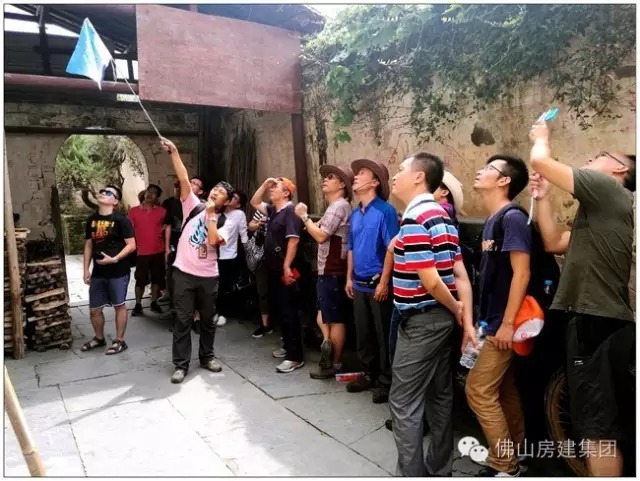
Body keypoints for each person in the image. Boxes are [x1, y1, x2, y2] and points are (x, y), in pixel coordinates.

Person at [529, 120, 635, 477]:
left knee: (597, 429)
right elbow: (553, 242)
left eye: (600, 155)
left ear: (618, 170)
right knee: (600, 420)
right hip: (598, 319)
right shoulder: (598, 212)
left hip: (596, 319)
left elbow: (540, 161)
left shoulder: (609, 189)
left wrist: (541, 138)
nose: (590, 158)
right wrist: (543, 196)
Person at [388, 153, 472, 477]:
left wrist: (456, 308)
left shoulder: (415, 217)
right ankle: (440, 468)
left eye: (401, 170)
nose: (395, 176)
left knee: (404, 401)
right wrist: (463, 319)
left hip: (422, 322)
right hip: (440, 322)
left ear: (419, 176)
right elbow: (460, 275)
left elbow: (431, 281)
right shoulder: (442, 216)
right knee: (440, 396)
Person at [464, 154, 531, 477]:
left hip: (504, 323)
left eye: (489, 169)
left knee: (478, 390)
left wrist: (507, 324)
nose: (480, 171)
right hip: (491, 320)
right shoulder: (494, 219)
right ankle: (517, 453)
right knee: (503, 389)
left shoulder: (512, 218)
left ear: (504, 181)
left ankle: (505, 463)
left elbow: (522, 273)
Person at [160, 137, 236, 384]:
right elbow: (183, 177)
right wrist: (174, 151)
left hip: (208, 276)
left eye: (221, 193)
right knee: (182, 320)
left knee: (207, 320)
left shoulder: (227, 222)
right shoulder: (192, 205)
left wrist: (211, 216)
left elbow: (213, 241)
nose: (215, 192)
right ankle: (180, 364)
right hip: (183, 273)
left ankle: (207, 356)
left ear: (227, 202)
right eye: (215, 189)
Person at [345, 158, 399, 403]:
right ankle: (368, 374)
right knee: (363, 333)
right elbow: (351, 247)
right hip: (358, 283)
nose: (356, 176)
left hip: (378, 283)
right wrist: (349, 278)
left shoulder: (385, 211)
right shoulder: (355, 212)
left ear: (375, 182)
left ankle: (386, 382)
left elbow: (392, 248)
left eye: (363, 173)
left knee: (383, 334)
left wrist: (385, 282)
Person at [295, 164, 353, 379]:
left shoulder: (339, 206)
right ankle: (327, 347)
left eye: (331, 177)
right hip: (327, 268)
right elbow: (317, 230)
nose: (325, 180)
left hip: (333, 268)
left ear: (342, 184)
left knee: (334, 318)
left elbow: (320, 236)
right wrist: (312, 223)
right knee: (324, 315)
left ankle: (333, 363)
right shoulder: (335, 207)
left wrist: (304, 216)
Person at [250, 177, 304, 373]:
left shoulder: (290, 212)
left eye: (275, 187)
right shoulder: (274, 210)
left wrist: (287, 266)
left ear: (287, 193)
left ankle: (295, 356)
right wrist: (264, 185)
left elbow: (293, 241)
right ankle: (287, 345)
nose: (271, 190)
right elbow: (255, 202)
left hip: (286, 269)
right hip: (274, 268)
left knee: (289, 311)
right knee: (281, 309)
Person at [80, 185, 136, 355]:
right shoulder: (91, 220)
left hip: (118, 270)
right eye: (102, 191)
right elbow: (88, 245)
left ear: (115, 201)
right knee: (94, 309)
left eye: (108, 193)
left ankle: (120, 340)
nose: (103, 193)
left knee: (119, 305)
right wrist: (86, 269)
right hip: (98, 271)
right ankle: (99, 338)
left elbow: (131, 245)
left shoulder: (121, 220)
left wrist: (115, 258)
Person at [163, 178, 205, 306]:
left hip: (193, 248)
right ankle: (174, 306)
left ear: (201, 191)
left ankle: (193, 309)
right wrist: (167, 249)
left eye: (196, 184)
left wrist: (202, 253)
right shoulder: (173, 203)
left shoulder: (203, 206)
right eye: (190, 182)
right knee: (173, 275)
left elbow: (205, 232)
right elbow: (168, 225)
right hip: (175, 245)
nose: (191, 184)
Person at [128, 184, 168, 316]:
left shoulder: (162, 212)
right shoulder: (133, 211)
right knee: (140, 280)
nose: (150, 194)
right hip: (141, 252)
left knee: (157, 278)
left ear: (157, 197)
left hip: (158, 250)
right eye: (148, 191)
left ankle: (154, 302)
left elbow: (166, 228)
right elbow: (128, 231)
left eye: (154, 193)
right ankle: (138, 304)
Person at [216, 191, 249, 326]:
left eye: (235, 198)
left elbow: (243, 234)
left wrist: (248, 253)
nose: (230, 198)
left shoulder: (239, 214)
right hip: (211, 253)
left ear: (238, 204)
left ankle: (222, 312)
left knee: (224, 285)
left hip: (228, 254)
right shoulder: (216, 211)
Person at [248, 209, 272, 338]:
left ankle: (285, 325)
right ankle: (265, 325)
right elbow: (250, 226)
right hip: (261, 256)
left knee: (283, 291)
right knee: (262, 291)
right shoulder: (263, 210)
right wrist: (258, 224)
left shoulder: (287, 211)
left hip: (280, 256)